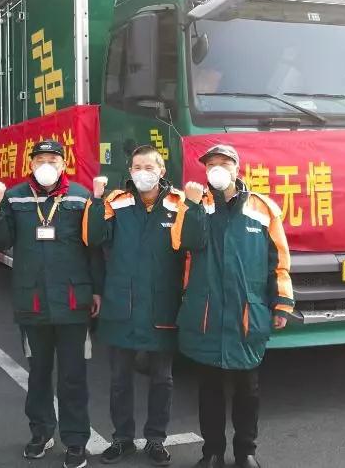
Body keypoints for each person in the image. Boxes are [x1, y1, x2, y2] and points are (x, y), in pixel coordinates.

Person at [83, 146, 207, 466]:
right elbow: (93, 237)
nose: (142, 172)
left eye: (149, 166)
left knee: (162, 379)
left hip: (161, 306)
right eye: (137, 166)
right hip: (121, 306)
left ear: (162, 170)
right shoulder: (116, 201)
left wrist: (194, 206)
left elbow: (195, 242)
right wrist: (95, 199)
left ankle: (156, 439)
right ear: (130, 171)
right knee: (119, 379)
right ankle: (122, 439)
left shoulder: (179, 203)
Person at [0, 139, 104, 468]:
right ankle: (41, 432)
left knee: (73, 376)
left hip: (73, 303)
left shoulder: (80, 196)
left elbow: (93, 247)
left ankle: (75, 440)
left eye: (53, 159)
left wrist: (96, 290)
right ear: (31, 164)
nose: (46, 164)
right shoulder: (15, 197)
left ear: (64, 163)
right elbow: (2, 241)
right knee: (38, 374)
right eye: (40, 159)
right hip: (33, 302)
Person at [178, 144, 294, 468]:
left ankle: (246, 452)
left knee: (248, 391)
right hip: (207, 314)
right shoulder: (196, 205)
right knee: (209, 390)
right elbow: (184, 243)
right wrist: (192, 205)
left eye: (224, 163)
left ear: (237, 168)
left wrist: (282, 303)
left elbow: (278, 262)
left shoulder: (263, 208)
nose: (216, 168)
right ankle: (212, 452)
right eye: (210, 164)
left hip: (246, 314)